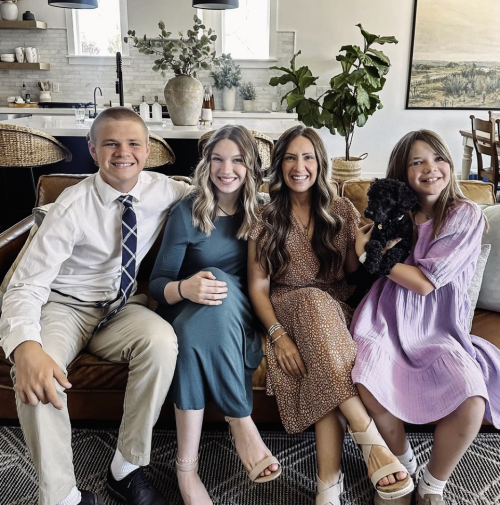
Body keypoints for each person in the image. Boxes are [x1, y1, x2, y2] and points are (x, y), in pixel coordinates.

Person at [0, 107, 192, 505]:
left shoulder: (165, 191)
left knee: (162, 341)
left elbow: (220, 191)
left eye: (134, 143)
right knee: (38, 374)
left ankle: (126, 468)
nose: (124, 153)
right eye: (111, 144)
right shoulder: (72, 206)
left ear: (148, 149)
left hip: (121, 308)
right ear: (93, 149)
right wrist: (25, 346)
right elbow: (25, 284)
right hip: (64, 308)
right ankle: (62, 497)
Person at [247, 125, 413, 505]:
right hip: (288, 308)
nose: (299, 166)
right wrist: (277, 335)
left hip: (336, 311)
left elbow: (354, 271)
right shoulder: (264, 215)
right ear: (279, 164)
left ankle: (329, 487)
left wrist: (365, 243)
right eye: (290, 157)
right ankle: (367, 437)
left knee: (324, 363)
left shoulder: (340, 209)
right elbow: (258, 288)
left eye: (307, 157)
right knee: (309, 304)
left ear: (320, 164)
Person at [351, 129, 500, 505]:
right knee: (369, 381)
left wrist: (371, 254)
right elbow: (363, 262)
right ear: (403, 172)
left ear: (449, 164)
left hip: (438, 325)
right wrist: (365, 249)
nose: (430, 168)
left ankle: (433, 483)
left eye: (437, 158)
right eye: (417, 162)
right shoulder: (396, 214)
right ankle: (402, 465)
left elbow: (424, 283)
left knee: (472, 398)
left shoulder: (464, 215)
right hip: (384, 316)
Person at [149, 125, 281, 505]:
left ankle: (187, 468)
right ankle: (237, 425)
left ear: (251, 167)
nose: (227, 169)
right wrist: (184, 288)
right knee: (188, 339)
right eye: (218, 159)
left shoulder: (264, 213)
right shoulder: (187, 212)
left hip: (241, 311)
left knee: (220, 282)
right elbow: (158, 283)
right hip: (187, 307)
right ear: (206, 165)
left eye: (238, 160)